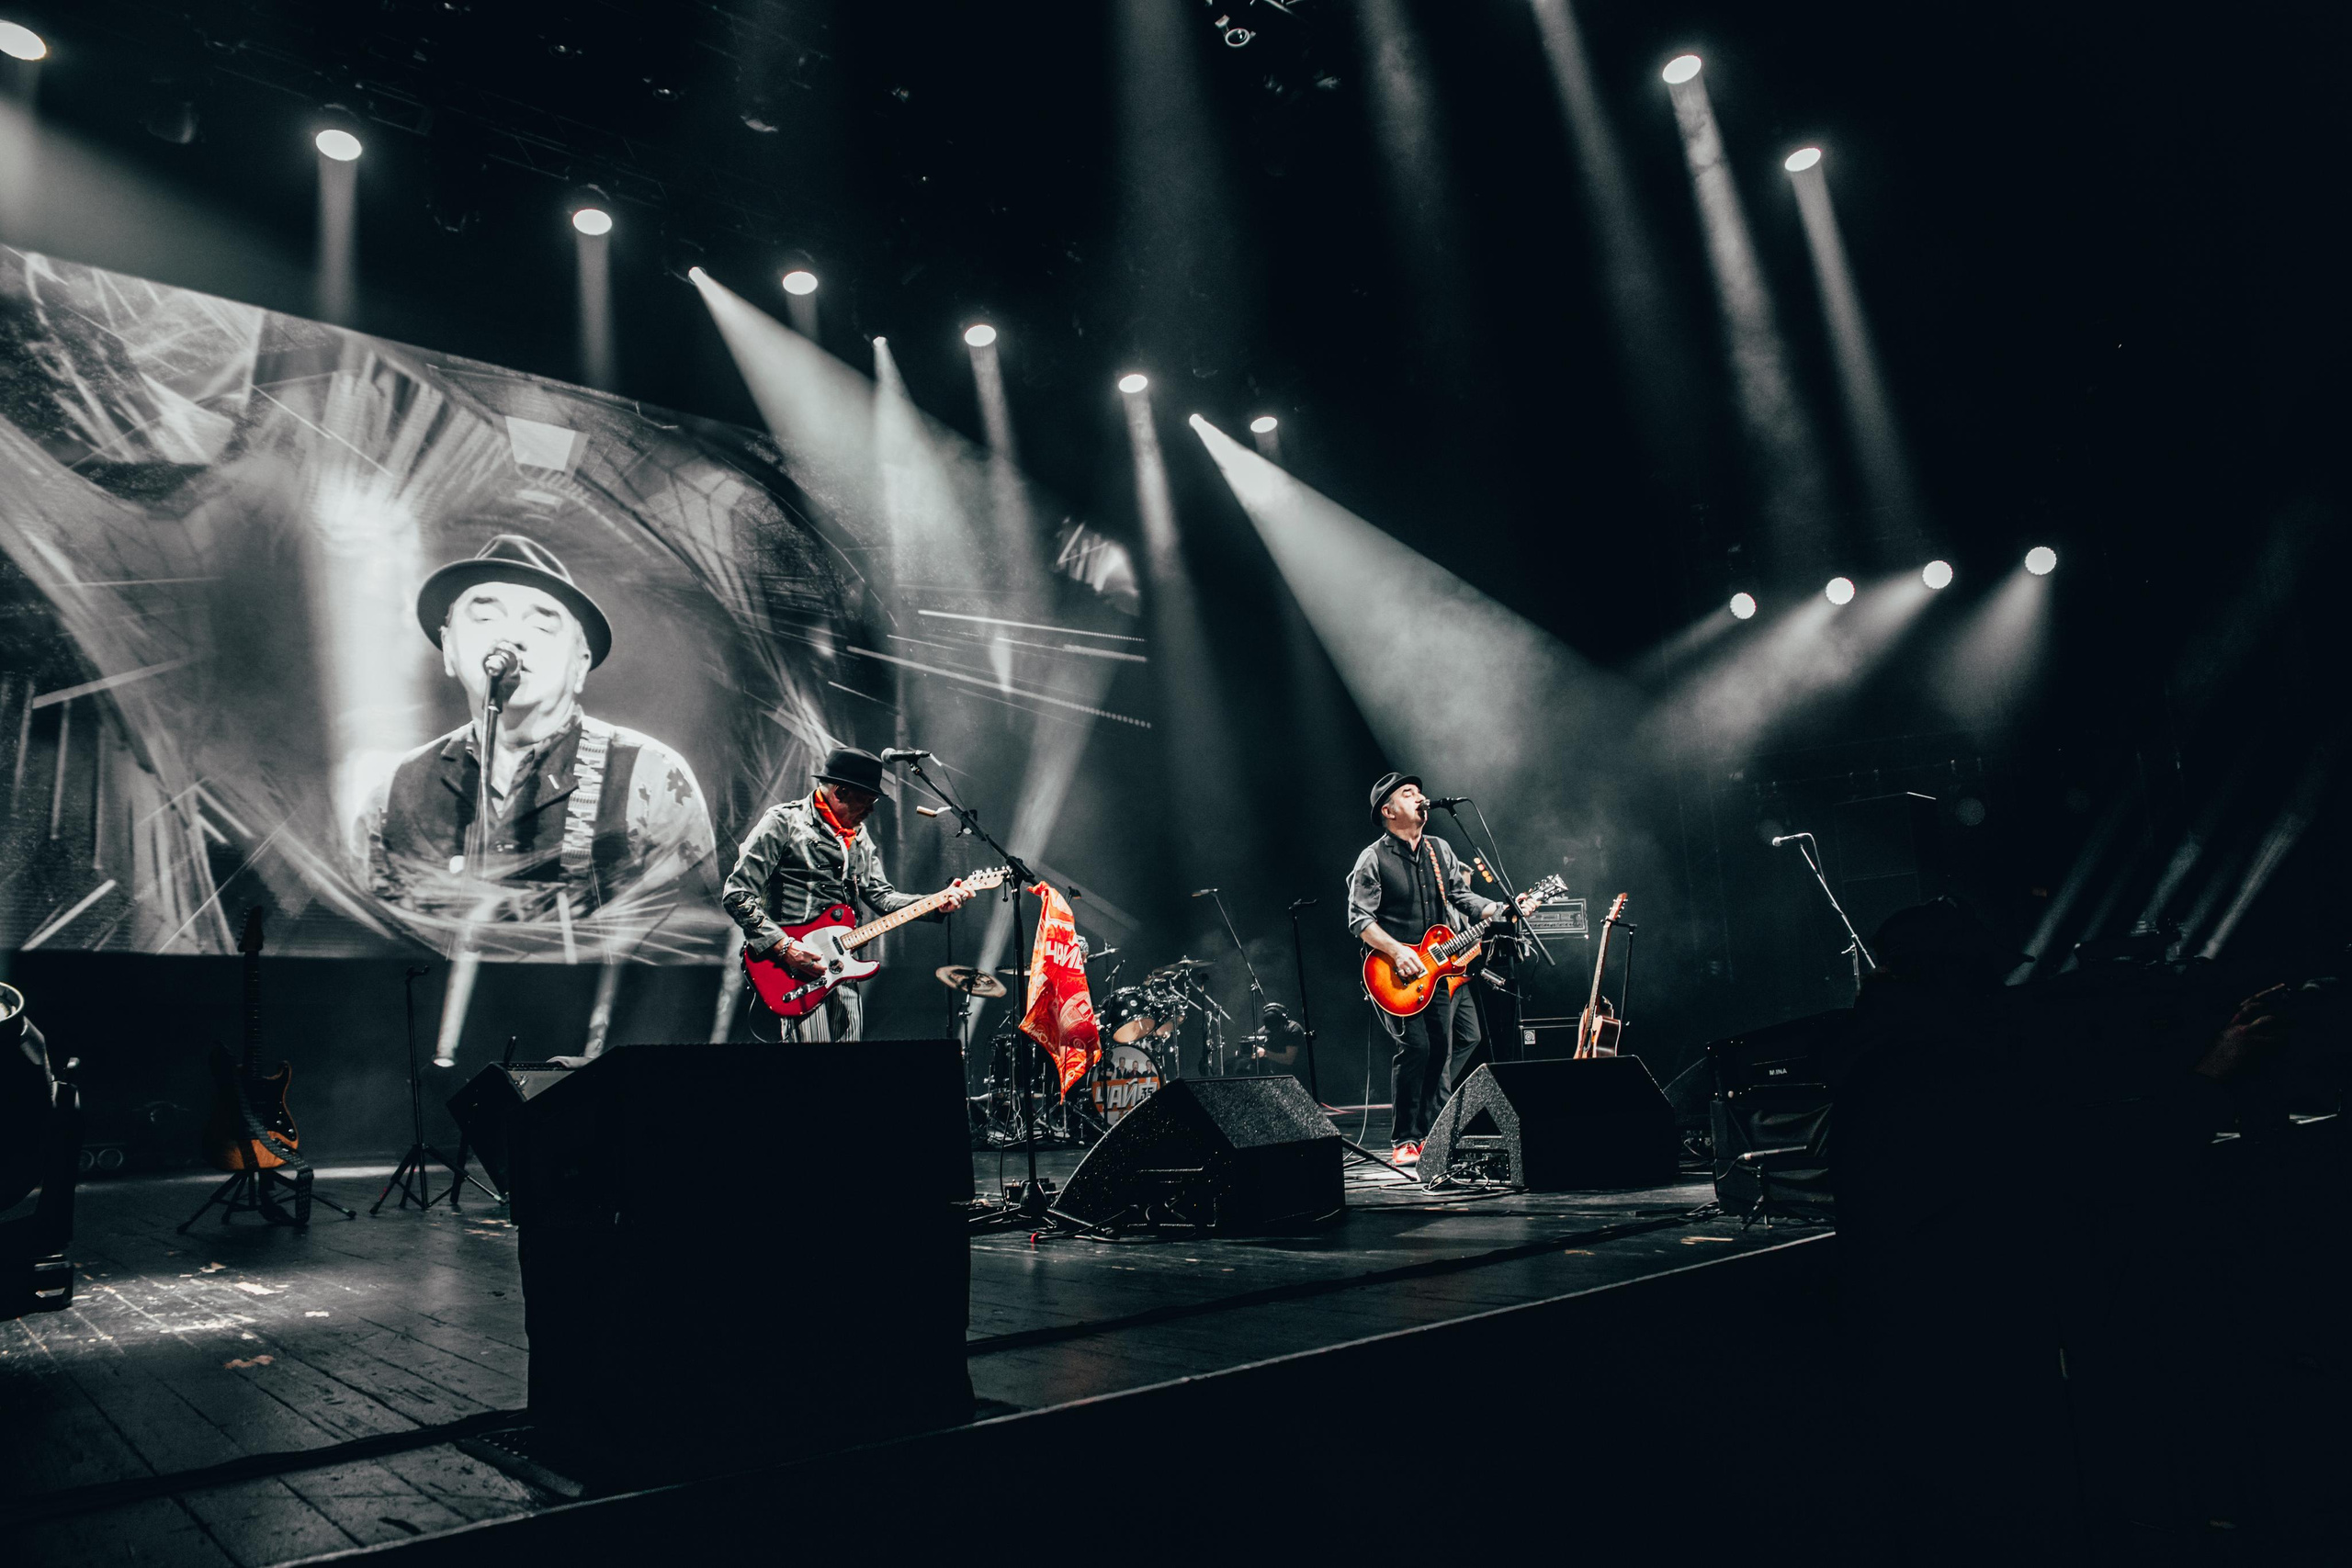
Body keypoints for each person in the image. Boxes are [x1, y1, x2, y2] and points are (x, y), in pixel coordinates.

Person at [356, 534, 716, 942]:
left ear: (580, 665)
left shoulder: (649, 775)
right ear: (449, 650)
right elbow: (366, 943)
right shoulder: (396, 790)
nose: (511, 638)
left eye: (542, 624)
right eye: (486, 618)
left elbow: (692, 943)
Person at [722, 746, 974, 1042]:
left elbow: (881, 895)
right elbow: (737, 894)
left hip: (842, 967)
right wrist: (785, 947)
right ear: (840, 792)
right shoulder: (783, 822)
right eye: (867, 801)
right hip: (795, 969)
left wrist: (935, 903)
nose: (871, 810)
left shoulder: (859, 836)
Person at [1345, 773, 1526, 1165]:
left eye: (1419, 792)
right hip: (1393, 973)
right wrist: (1397, 951)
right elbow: (1359, 920)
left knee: (1441, 1047)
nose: (1420, 797)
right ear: (1388, 811)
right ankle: (1404, 1140)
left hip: (1437, 971)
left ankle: (1429, 1136)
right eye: (1408, 793)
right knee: (1417, 1048)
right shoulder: (1372, 858)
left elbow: (1461, 896)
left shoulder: (1439, 850)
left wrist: (1498, 909)